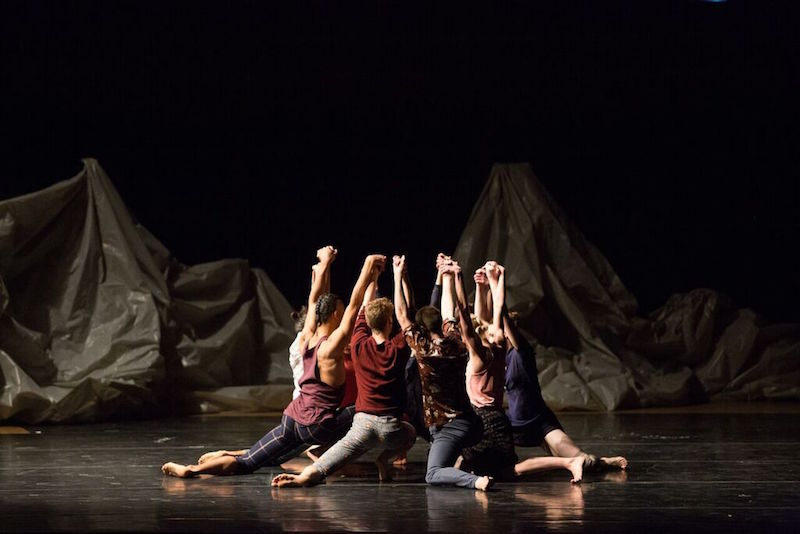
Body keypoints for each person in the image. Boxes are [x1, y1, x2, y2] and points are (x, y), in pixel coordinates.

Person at [160, 250, 382, 478]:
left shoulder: (305, 338)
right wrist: (367, 269)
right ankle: (331, 454)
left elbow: (314, 299)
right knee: (367, 408)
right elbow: (356, 305)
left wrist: (325, 263)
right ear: (337, 313)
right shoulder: (332, 346)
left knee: (247, 462)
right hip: (319, 425)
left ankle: (192, 470)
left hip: (293, 419)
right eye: (342, 312)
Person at [271, 255, 416, 487]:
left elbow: (359, 310)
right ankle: (384, 459)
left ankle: (306, 477)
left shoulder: (358, 343)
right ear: (390, 323)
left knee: (331, 460)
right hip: (392, 427)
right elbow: (405, 316)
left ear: (368, 323)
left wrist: (372, 280)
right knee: (410, 432)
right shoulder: (398, 348)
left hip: (362, 425)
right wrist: (399, 276)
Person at [493, 261, 628, 481]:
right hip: (513, 423)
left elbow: (502, 315)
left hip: (538, 419)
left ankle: (603, 462)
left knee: (581, 458)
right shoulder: (498, 354)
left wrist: (497, 281)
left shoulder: (521, 351)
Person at [402, 255, 493, 491]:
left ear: (421, 331)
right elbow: (457, 311)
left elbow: (402, 316)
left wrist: (396, 274)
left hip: (451, 427)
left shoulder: (424, 352)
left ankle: (476, 481)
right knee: (443, 456)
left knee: (432, 474)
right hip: (473, 423)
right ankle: (461, 462)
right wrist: (453, 276)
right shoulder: (457, 343)